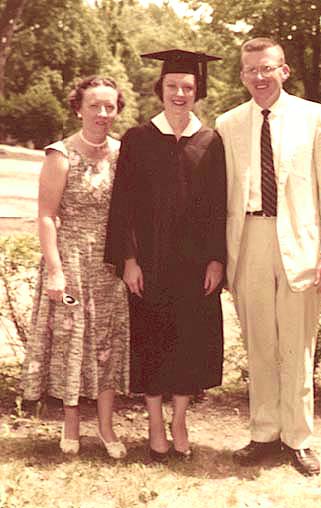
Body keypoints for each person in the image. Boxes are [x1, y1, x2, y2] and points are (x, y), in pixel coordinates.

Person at [216, 37, 321, 476]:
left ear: (283, 71)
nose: (259, 77)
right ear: (242, 75)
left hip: (302, 246)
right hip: (248, 240)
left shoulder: (315, 117)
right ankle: (264, 433)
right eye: (250, 70)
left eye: (267, 68)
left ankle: (299, 439)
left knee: (296, 345)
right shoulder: (228, 123)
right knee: (260, 347)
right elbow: (222, 195)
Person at [105, 49, 226, 462]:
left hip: (194, 265)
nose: (180, 93)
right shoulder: (138, 140)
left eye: (188, 87)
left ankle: (179, 420)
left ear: (198, 92)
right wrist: (129, 260)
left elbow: (217, 206)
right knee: (151, 341)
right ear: (161, 89)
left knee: (188, 341)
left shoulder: (211, 141)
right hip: (150, 262)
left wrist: (216, 259)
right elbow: (122, 206)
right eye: (172, 86)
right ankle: (155, 423)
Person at [21, 76, 130, 459]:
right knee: (72, 341)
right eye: (94, 105)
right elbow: (47, 216)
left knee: (107, 344)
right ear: (78, 107)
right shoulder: (60, 154)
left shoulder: (123, 153)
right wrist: (55, 270)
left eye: (110, 106)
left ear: (118, 110)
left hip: (110, 263)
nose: (102, 113)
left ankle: (106, 427)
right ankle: (70, 425)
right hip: (71, 260)